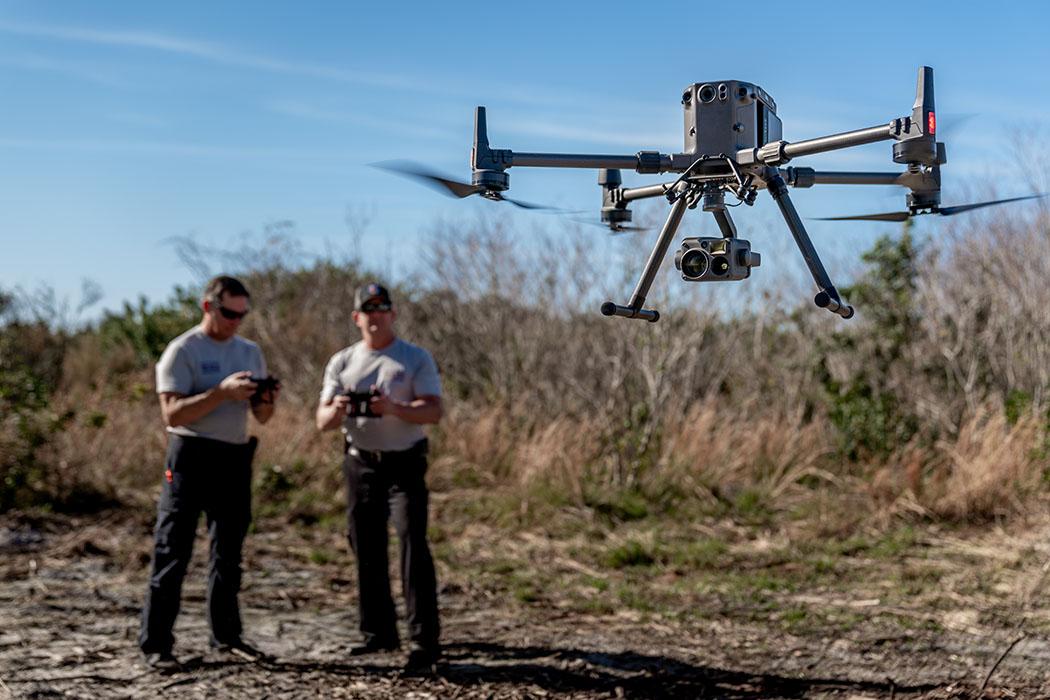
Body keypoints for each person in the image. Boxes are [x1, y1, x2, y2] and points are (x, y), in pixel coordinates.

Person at [139, 275, 279, 672]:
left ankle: (227, 636)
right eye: (229, 313)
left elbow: (263, 418)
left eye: (242, 314)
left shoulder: (250, 352)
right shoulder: (182, 350)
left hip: (233, 456)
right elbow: (172, 413)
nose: (236, 321)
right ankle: (157, 643)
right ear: (208, 307)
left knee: (229, 553)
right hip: (189, 455)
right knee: (173, 548)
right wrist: (220, 393)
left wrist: (266, 399)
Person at [316, 282, 443, 672]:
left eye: (382, 308)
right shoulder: (342, 362)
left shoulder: (413, 358)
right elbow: (321, 421)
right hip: (360, 463)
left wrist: (393, 407)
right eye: (367, 310)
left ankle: (423, 639)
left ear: (392, 314)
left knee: (411, 542)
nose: (375, 316)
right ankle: (377, 632)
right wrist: (339, 409)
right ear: (357, 317)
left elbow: (434, 411)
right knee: (364, 545)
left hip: (404, 463)